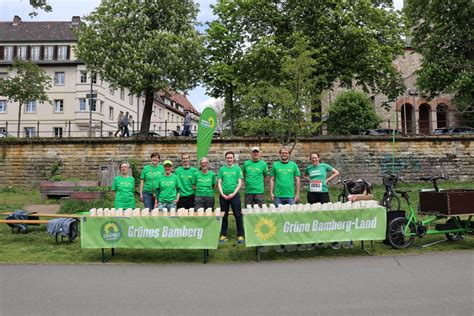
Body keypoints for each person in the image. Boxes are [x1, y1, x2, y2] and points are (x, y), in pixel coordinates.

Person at [217, 151, 245, 244]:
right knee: (224, 216)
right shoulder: (222, 169)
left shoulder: (237, 169)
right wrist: (222, 194)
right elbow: (219, 182)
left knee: (238, 215)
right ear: (226, 159)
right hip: (224, 196)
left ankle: (240, 235)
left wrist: (233, 193)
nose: (229, 159)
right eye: (228, 158)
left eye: (231, 158)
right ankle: (223, 235)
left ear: (233, 159)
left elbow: (240, 182)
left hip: (234, 195)